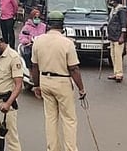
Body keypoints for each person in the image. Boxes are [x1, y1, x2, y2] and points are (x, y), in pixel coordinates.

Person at [31, 11, 86, 151]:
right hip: (62, 82)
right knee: (69, 119)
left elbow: (34, 66)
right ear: (62, 25)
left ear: (48, 24)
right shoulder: (67, 43)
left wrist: (36, 85)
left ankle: (52, 148)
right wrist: (81, 88)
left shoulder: (38, 41)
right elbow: (74, 69)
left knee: (50, 118)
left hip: (45, 80)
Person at [106, 0, 127, 82]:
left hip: (118, 36)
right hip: (112, 36)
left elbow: (124, 24)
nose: (110, 2)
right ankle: (115, 72)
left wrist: (122, 36)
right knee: (113, 55)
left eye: (111, 1)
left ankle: (119, 74)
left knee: (118, 55)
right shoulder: (113, 10)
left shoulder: (121, 10)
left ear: (115, 1)